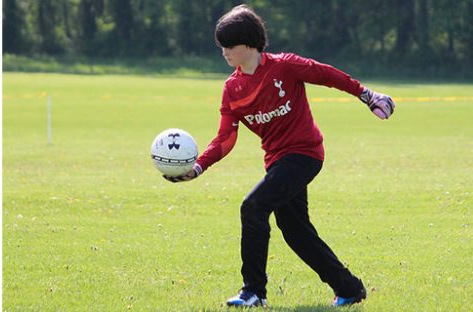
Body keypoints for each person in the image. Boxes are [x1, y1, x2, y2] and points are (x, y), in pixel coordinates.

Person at [163, 4, 395, 307]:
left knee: (253, 207)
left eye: (229, 46)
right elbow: (226, 137)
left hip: (305, 154)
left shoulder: (284, 66)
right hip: (277, 162)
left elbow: (326, 75)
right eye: (221, 46)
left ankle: (253, 292)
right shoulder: (232, 88)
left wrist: (367, 95)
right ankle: (349, 288)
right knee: (296, 232)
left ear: (248, 44)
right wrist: (198, 168)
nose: (224, 52)